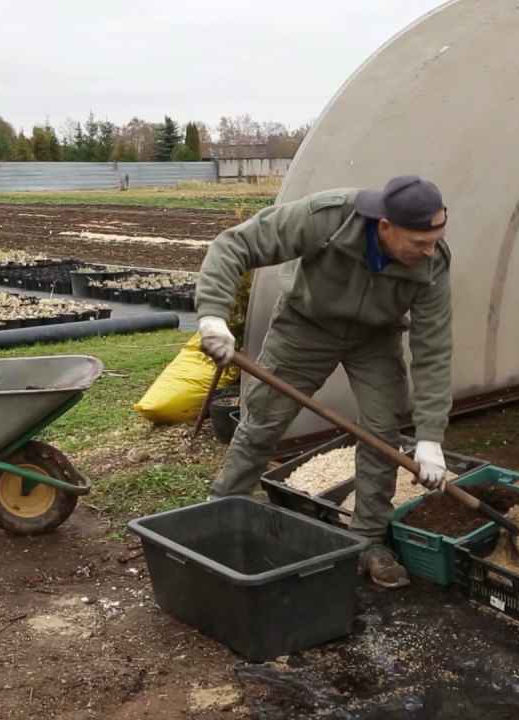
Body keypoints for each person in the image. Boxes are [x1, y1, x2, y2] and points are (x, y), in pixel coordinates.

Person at [194, 175, 453, 588]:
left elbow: (433, 349)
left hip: (375, 336)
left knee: (382, 434)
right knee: (264, 419)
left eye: (436, 238)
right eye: (419, 242)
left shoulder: (433, 263)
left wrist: (430, 437)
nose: (429, 251)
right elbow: (236, 244)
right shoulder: (328, 218)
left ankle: (368, 539)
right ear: (385, 226)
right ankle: (224, 507)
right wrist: (212, 315)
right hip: (306, 326)